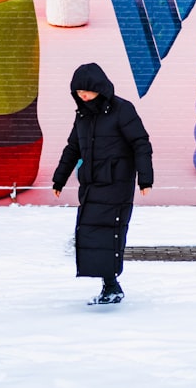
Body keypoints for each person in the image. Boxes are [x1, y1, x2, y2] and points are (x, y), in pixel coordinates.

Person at [52, 63, 153, 304]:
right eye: (78, 92)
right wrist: (60, 178)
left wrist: (145, 178)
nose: (83, 96)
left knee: (109, 234)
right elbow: (73, 148)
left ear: (99, 87)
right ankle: (110, 285)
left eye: (86, 90)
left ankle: (111, 285)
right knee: (91, 233)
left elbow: (141, 143)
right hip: (91, 184)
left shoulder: (122, 110)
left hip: (117, 183)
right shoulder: (83, 116)